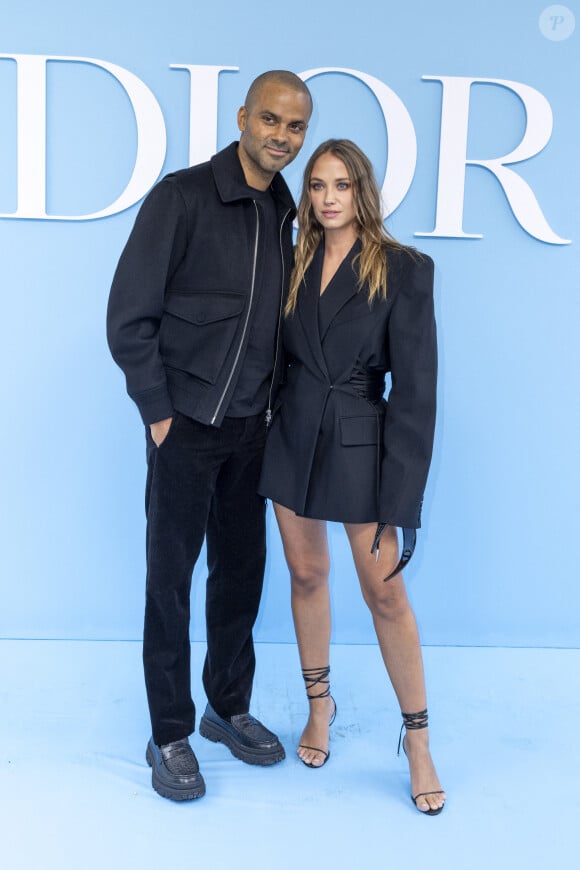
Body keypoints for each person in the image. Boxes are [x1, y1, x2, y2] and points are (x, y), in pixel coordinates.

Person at [107, 70, 312, 801]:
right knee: (169, 583)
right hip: (187, 428)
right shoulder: (183, 195)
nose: (281, 137)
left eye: (294, 127)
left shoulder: (288, 213)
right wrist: (160, 414)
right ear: (242, 118)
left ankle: (229, 709)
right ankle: (170, 732)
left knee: (240, 580)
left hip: (253, 434)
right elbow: (130, 316)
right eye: (270, 120)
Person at [258, 139, 446, 815]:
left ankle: (418, 742)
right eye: (316, 185)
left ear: (362, 190)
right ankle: (320, 705)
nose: (328, 197)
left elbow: (417, 391)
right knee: (306, 575)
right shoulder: (292, 260)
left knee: (386, 596)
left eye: (341, 184)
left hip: (361, 448)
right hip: (291, 439)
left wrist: (403, 496)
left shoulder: (404, 269)